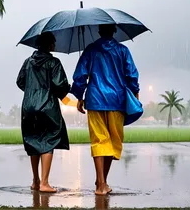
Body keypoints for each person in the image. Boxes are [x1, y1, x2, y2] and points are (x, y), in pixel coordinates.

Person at [70, 24, 140, 196]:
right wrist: (135, 94)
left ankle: (101, 182)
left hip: (95, 100)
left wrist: (79, 96)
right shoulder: (123, 51)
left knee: (100, 141)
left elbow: (80, 75)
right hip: (117, 101)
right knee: (113, 141)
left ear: (99, 32)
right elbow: (132, 75)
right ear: (114, 31)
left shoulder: (91, 50)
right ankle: (102, 183)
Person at [16, 32, 71, 193]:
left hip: (29, 107)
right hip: (48, 107)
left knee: (33, 141)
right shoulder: (54, 62)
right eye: (53, 43)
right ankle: (45, 183)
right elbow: (59, 85)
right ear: (48, 45)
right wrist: (67, 88)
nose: (54, 46)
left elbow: (20, 81)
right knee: (48, 140)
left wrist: (32, 91)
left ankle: (35, 181)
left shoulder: (28, 62)